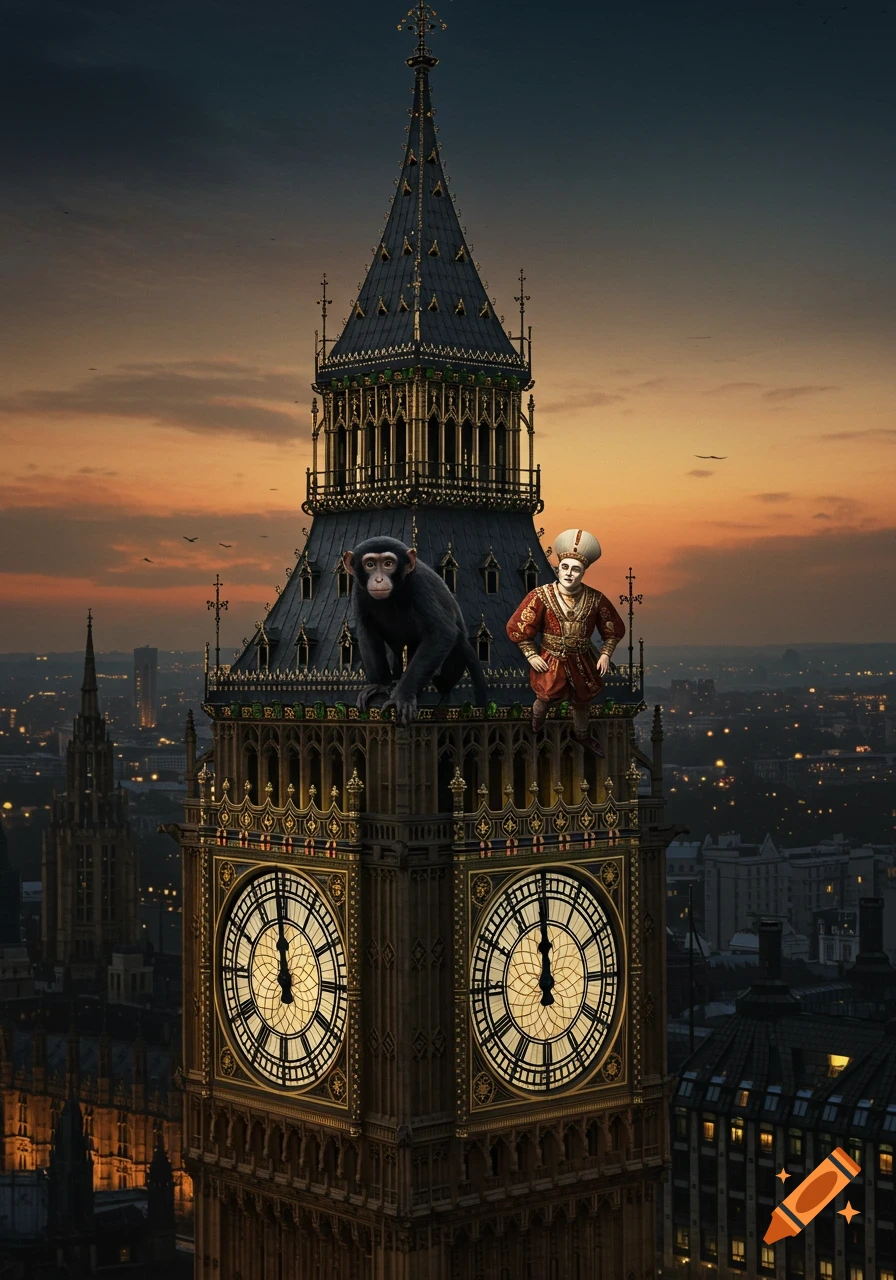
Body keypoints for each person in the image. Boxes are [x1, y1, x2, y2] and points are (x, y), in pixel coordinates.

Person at [506, 528, 625, 745]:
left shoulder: (595, 598)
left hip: (582, 658)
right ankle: (535, 725)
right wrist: (531, 655)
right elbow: (519, 627)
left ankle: (582, 735)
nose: (569, 573)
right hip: (551, 657)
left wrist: (606, 654)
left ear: (583, 572)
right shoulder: (540, 596)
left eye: (576, 569)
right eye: (565, 567)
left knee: (582, 702)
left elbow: (613, 629)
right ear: (558, 569)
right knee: (544, 696)